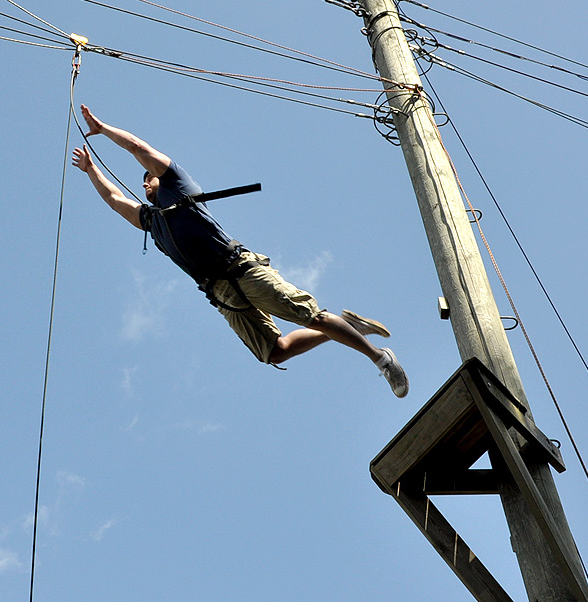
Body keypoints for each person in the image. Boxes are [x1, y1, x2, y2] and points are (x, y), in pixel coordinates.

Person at [71, 105, 408, 398]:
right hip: (220, 295)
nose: (145, 183)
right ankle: (346, 325)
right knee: (276, 351)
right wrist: (91, 170)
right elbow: (114, 200)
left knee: (312, 316)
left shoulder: (178, 187)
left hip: (240, 270)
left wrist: (102, 130)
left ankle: (381, 359)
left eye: (149, 177)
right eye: (143, 181)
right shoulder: (150, 221)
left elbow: (137, 146)